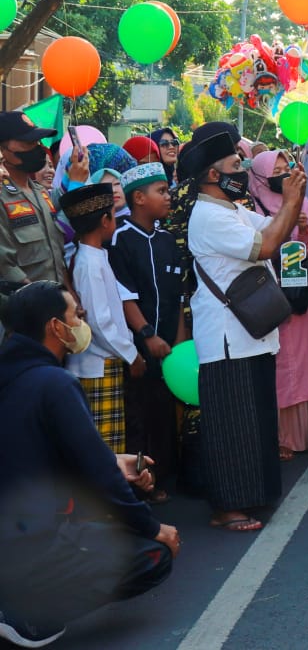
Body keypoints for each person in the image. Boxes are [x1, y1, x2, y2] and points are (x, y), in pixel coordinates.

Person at [0, 282, 178, 648]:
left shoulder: (13, 374)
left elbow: (31, 449)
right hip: (28, 539)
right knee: (153, 555)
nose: (82, 323)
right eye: (76, 316)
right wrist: (151, 526)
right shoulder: (55, 382)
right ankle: (30, 614)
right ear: (55, 327)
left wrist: (112, 460)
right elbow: (99, 477)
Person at [184, 124, 307, 531]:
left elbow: (277, 228)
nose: (244, 171)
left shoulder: (232, 209)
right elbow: (267, 245)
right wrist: (291, 199)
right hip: (226, 339)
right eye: (236, 165)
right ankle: (227, 506)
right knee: (230, 425)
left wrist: (294, 199)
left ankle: (253, 494)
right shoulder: (207, 216)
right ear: (212, 176)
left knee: (254, 420)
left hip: (250, 334)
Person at [108, 163, 184, 499]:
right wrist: (147, 335)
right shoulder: (120, 239)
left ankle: (164, 475)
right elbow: (125, 296)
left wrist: (180, 341)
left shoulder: (168, 240)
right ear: (138, 198)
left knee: (165, 414)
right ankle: (141, 483)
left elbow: (179, 295)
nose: (169, 198)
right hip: (137, 348)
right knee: (138, 417)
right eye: (162, 191)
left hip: (169, 350)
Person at [60, 183, 143, 452]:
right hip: (97, 364)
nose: (116, 220)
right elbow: (100, 322)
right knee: (106, 448)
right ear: (104, 220)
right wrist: (131, 353)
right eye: (113, 214)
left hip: (104, 360)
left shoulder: (93, 256)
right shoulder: (89, 262)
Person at [250, 150, 308, 460]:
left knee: (300, 363)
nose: (280, 175)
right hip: (268, 295)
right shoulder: (252, 206)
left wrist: (303, 228)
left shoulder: (301, 201)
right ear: (260, 175)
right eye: (273, 170)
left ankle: (299, 435)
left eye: (284, 168)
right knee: (274, 363)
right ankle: (277, 437)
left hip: (295, 295)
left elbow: (306, 249)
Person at [0, 113, 71, 299]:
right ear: (2, 150)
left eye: (38, 142)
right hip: (22, 311)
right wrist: (42, 304)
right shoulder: (2, 197)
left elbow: (58, 260)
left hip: (55, 306)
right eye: (28, 143)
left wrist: (70, 299)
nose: (38, 149)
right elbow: (5, 266)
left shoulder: (40, 193)